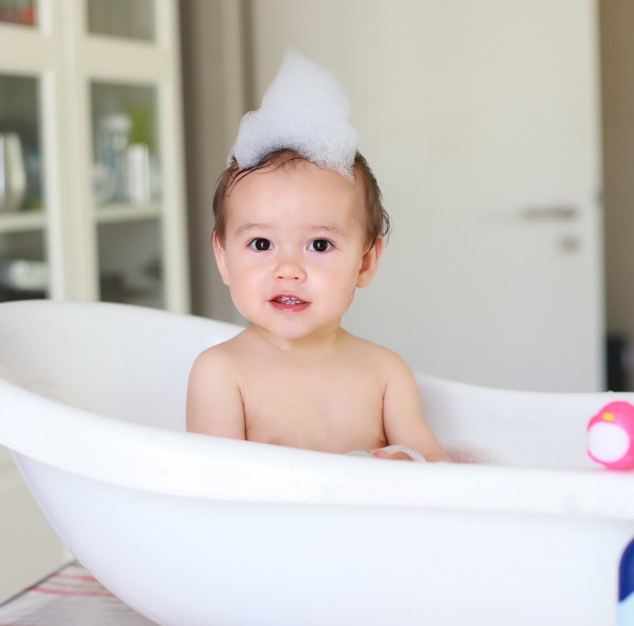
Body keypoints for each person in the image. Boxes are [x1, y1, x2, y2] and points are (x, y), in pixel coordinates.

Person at [186, 83, 448, 462]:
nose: (288, 270)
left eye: (319, 245)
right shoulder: (222, 374)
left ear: (365, 262)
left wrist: (409, 465)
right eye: (261, 244)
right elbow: (213, 491)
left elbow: (444, 480)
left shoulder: (385, 374)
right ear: (223, 257)